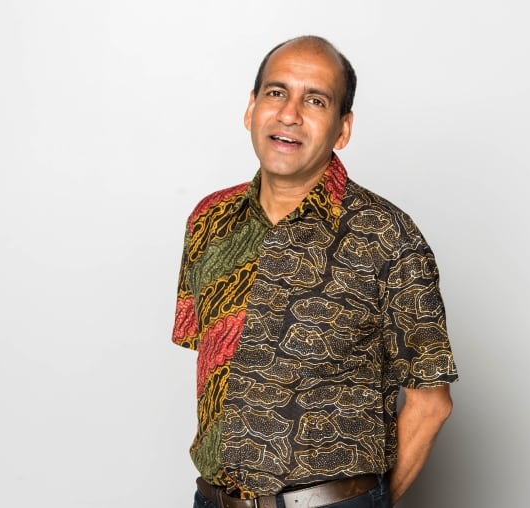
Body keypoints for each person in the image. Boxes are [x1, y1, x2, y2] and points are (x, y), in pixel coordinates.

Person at [172, 35, 458, 508]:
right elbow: (214, 362)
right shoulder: (209, 220)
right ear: (251, 109)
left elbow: (431, 404)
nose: (289, 113)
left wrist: (372, 503)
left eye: (315, 100)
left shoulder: (387, 235)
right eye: (276, 92)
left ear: (342, 129)